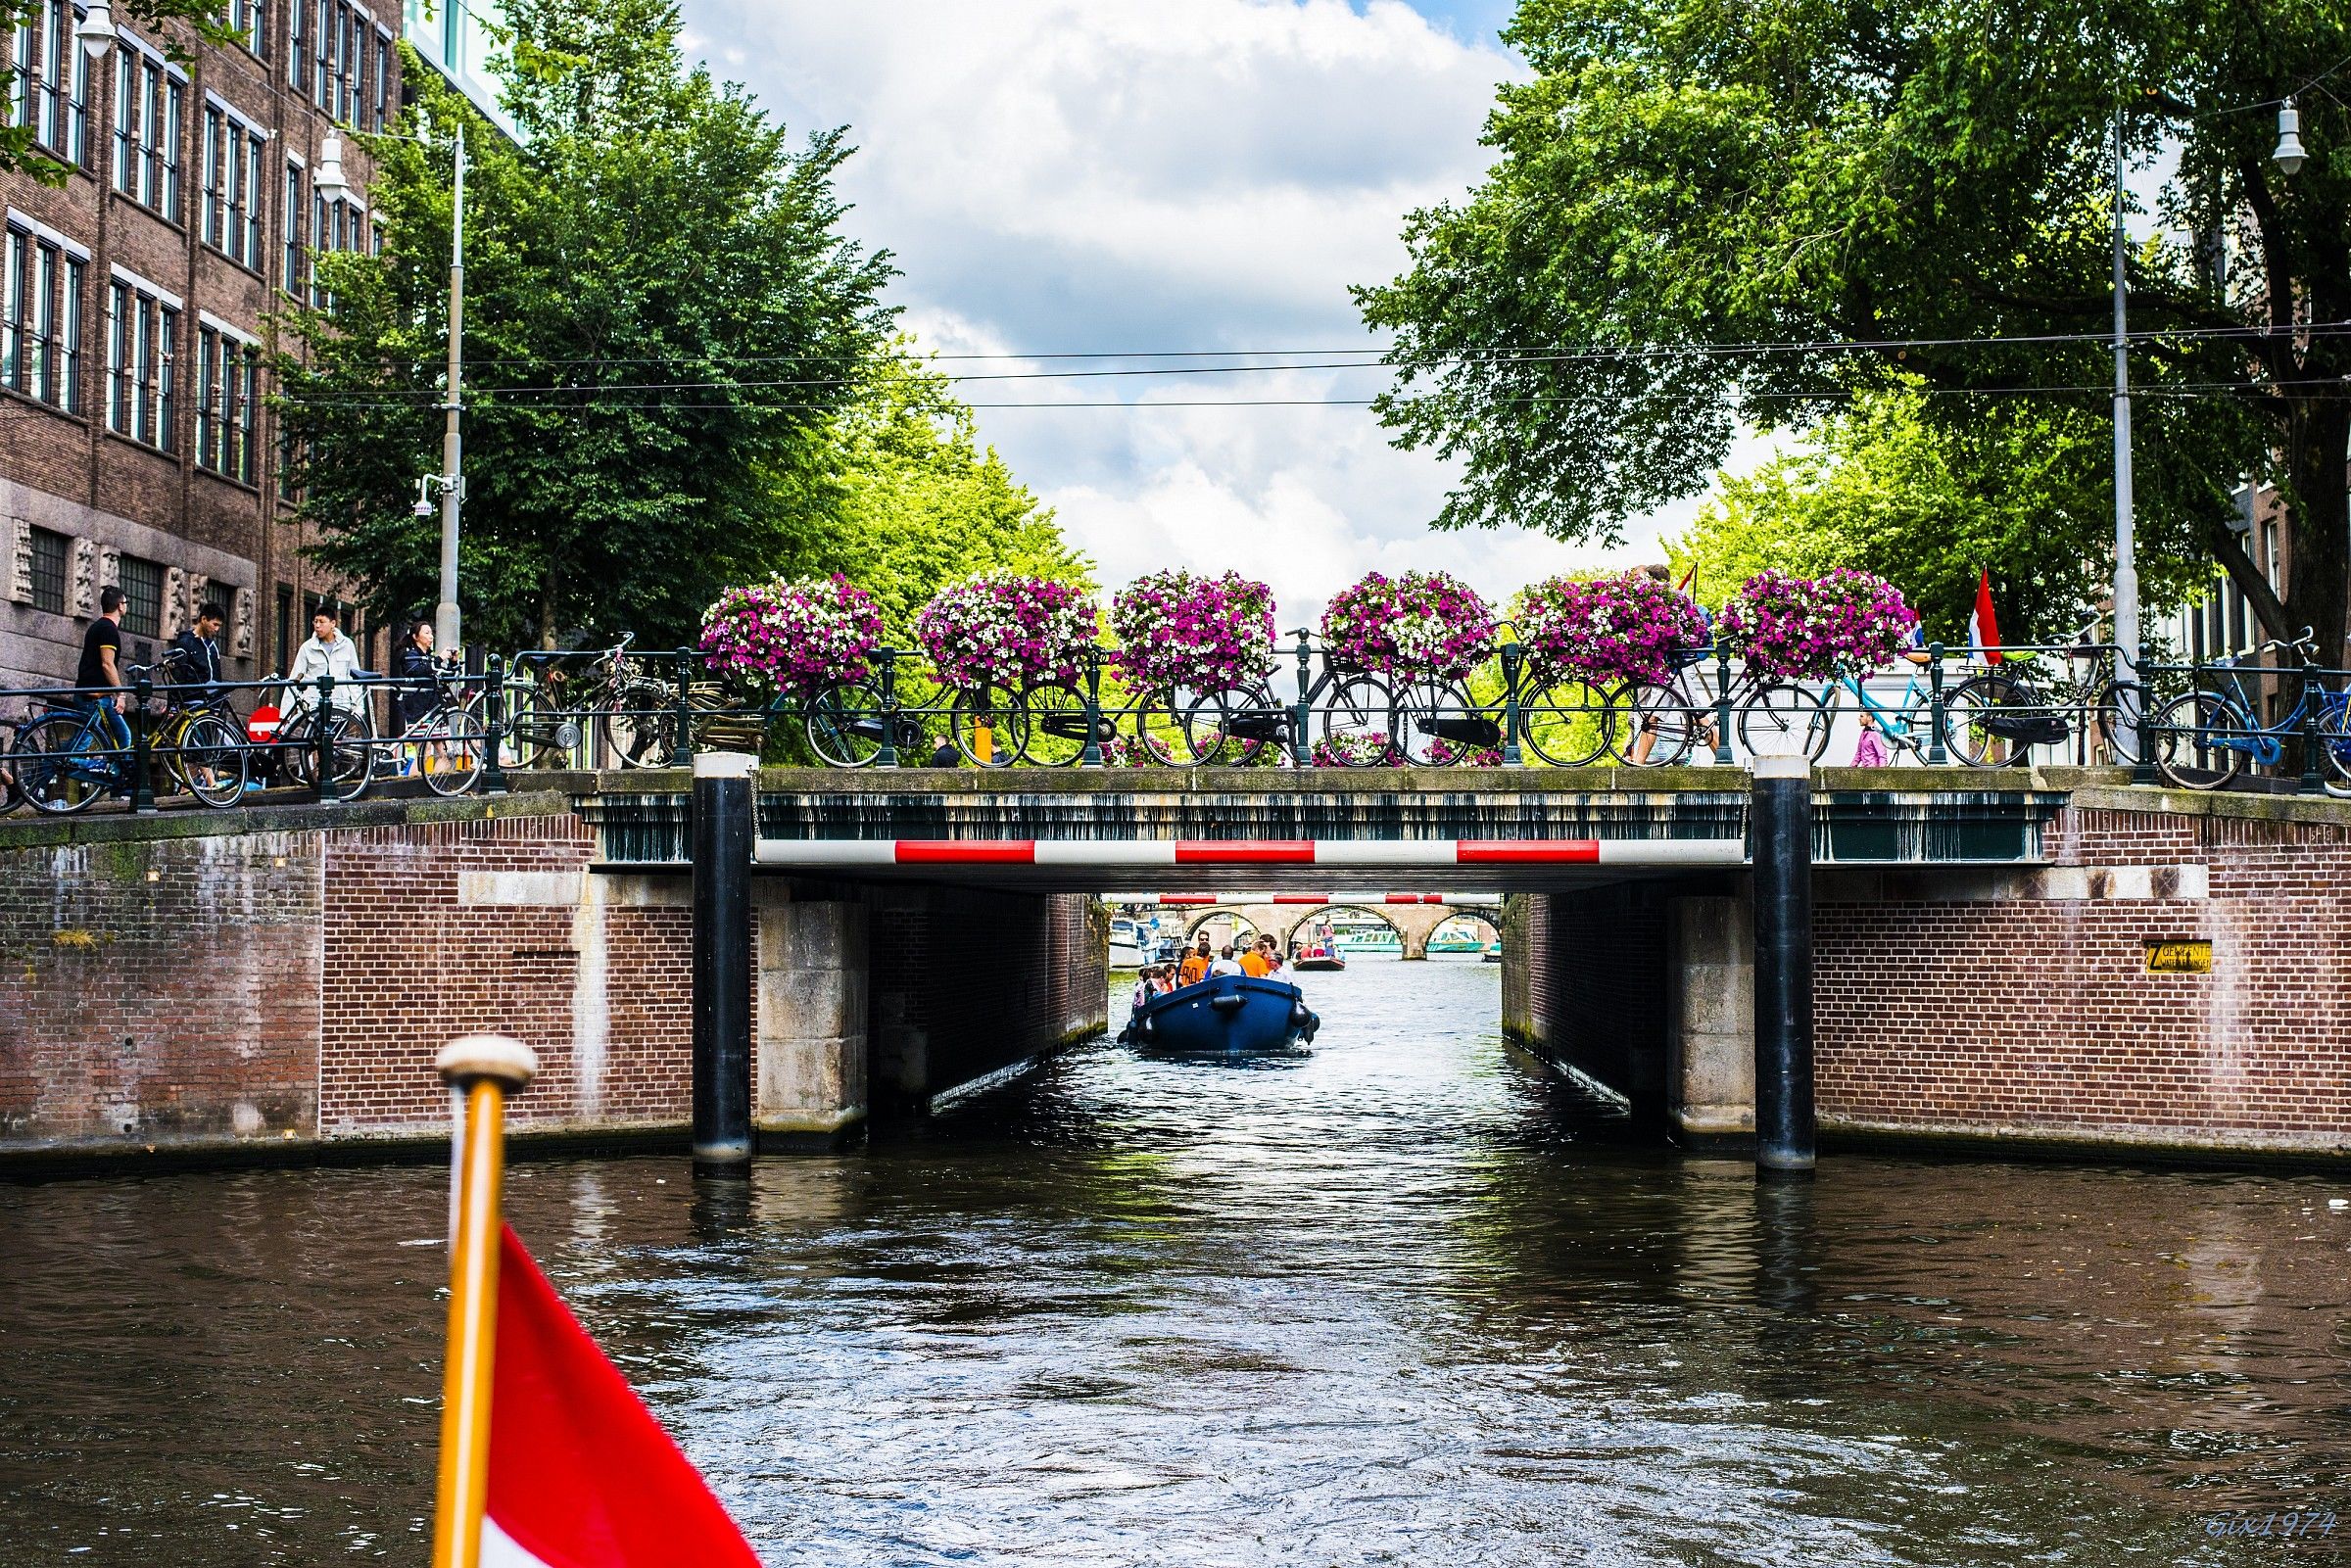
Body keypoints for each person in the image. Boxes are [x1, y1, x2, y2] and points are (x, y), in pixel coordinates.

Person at [73, 585, 133, 764]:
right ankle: (41, 779)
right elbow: (107, 664)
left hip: (101, 696)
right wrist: (121, 694)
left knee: (124, 735)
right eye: (126, 602)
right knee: (81, 744)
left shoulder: (97, 627)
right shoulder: (108, 629)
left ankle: (119, 777)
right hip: (94, 697)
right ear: (120, 606)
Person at [286, 609, 365, 717]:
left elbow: (354, 678)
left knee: (338, 734)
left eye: (322, 622)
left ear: (333, 623)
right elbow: (294, 677)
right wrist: (284, 713)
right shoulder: (307, 647)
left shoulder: (347, 645)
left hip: (340, 706)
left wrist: (359, 708)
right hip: (313, 707)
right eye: (315, 621)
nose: (317, 626)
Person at [164, 601, 226, 710]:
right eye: (215, 624)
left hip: (212, 705)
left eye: (219, 626)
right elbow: (176, 675)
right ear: (203, 619)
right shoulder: (185, 642)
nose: (217, 629)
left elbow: (217, 676)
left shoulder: (212, 647)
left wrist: (219, 706)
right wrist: (172, 706)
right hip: (192, 703)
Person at [392, 618, 439, 735]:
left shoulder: (429, 657)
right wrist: (439, 659)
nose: (431, 636)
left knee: (444, 748)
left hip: (433, 705)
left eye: (431, 633)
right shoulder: (410, 656)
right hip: (418, 707)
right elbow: (416, 671)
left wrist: (453, 662)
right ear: (415, 636)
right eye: (427, 633)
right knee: (424, 747)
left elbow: (445, 673)